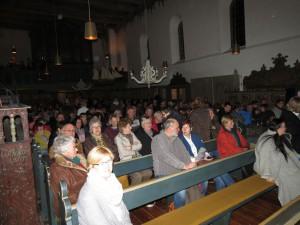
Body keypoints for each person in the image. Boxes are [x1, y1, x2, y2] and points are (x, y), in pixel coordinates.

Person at [77, 146, 132, 225]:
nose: (107, 166)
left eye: (109, 161)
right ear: (92, 165)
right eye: (102, 163)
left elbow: (123, 213)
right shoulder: (88, 195)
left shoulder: (112, 182)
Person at [151, 118, 197, 209]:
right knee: (181, 190)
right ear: (170, 127)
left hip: (178, 170)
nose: (179, 129)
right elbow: (166, 156)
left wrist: (191, 164)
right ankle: (177, 211)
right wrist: (184, 166)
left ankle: (191, 206)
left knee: (202, 180)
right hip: (163, 173)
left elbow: (184, 153)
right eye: (177, 127)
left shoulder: (176, 139)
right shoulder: (158, 139)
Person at [254, 119, 300, 205]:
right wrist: (270, 176)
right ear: (277, 128)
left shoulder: (277, 136)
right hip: (274, 169)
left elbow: (290, 152)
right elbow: (265, 161)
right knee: (295, 180)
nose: (286, 128)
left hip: (283, 165)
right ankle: (293, 206)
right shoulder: (268, 141)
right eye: (284, 127)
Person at [50, 135, 87, 216]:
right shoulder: (58, 169)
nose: (77, 150)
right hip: (73, 209)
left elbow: (87, 171)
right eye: (74, 147)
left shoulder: (75, 158)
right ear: (64, 151)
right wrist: (90, 193)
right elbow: (67, 198)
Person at [115, 118, 152, 185]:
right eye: (129, 126)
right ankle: (134, 193)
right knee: (138, 176)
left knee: (149, 173)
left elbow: (140, 145)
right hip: (127, 162)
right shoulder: (118, 138)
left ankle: (143, 188)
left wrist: (131, 147)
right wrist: (135, 150)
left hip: (137, 159)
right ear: (123, 128)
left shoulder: (132, 134)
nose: (131, 127)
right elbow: (123, 153)